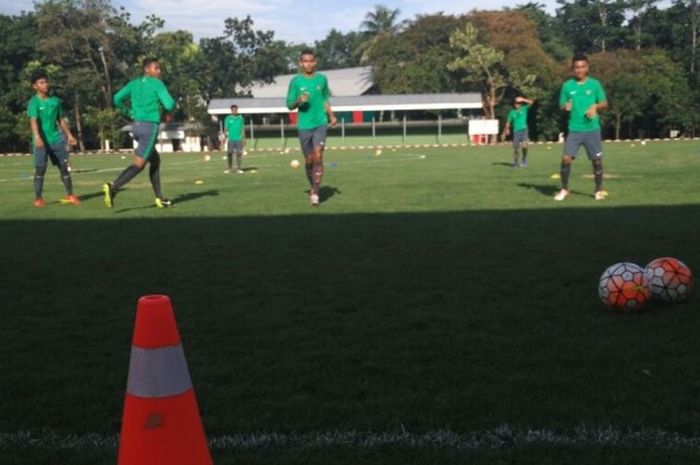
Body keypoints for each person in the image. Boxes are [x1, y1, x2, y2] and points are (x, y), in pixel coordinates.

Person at [103, 57, 176, 208]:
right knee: (139, 165)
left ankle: (159, 198)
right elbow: (169, 104)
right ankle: (113, 187)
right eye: (156, 68)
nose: (159, 71)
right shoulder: (157, 83)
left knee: (155, 161)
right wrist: (171, 106)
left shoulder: (134, 83)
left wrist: (129, 112)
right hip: (150, 127)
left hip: (136, 126)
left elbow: (117, 98)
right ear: (147, 69)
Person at [286, 49, 337, 206]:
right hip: (304, 126)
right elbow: (289, 105)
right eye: (305, 61)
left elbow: (325, 99)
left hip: (320, 123)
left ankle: (315, 192)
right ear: (300, 63)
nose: (308, 64)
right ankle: (312, 184)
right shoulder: (296, 82)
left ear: (315, 62)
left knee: (318, 155)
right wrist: (298, 101)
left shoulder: (322, 79)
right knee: (309, 160)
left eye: (311, 61)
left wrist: (331, 115)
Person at [554, 53, 608, 201]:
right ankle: (564, 189)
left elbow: (604, 103)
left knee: (596, 160)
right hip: (575, 129)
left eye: (582, 67)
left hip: (592, 129)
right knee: (566, 159)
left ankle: (598, 190)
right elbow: (561, 105)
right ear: (573, 69)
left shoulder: (595, 84)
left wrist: (595, 106)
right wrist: (566, 106)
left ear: (587, 67)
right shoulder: (567, 86)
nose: (579, 70)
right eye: (576, 67)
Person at [27, 69, 80, 207]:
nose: (45, 84)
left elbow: (61, 119)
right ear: (35, 86)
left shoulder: (55, 101)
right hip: (41, 143)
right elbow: (33, 120)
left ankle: (70, 195)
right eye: (41, 82)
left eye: (46, 81)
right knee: (40, 169)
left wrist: (69, 135)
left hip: (56, 140)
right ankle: (38, 198)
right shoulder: (34, 102)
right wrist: (37, 136)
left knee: (64, 167)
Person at [503, 96, 534, 167]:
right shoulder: (512, 112)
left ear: (521, 104)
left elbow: (531, 102)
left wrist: (523, 99)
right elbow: (508, 121)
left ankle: (524, 159)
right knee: (516, 148)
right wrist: (507, 129)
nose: (517, 105)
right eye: (516, 103)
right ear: (514, 104)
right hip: (516, 131)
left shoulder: (524, 109)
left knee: (525, 145)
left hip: (524, 130)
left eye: (519, 103)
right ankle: (516, 162)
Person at [223, 104, 246, 174]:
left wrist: (244, 138)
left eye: (236, 110)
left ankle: (239, 168)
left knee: (239, 153)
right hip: (231, 139)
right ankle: (229, 168)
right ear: (231, 110)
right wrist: (224, 137)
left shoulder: (240, 118)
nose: (235, 111)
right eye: (233, 110)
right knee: (229, 153)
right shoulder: (228, 118)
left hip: (238, 139)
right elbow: (226, 129)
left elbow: (242, 128)